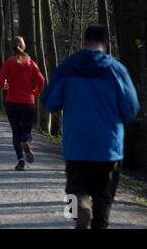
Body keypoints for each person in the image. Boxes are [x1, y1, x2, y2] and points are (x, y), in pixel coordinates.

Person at [41, 25, 140, 229]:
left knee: (75, 189)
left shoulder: (68, 67)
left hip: (77, 144)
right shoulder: (116, 69)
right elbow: (131, 108)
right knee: (103, 200)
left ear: (85, 42)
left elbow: (49, 100)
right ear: (107, 44)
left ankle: (80, 208)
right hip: (108, 147)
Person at [0, 36, 45, 172]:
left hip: (11, 102)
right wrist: (35, 93)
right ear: (23, 47)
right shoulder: (30, 63)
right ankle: (26, 142)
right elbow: (41, 80)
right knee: (26, 131)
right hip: (28, 103)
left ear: (11, 48)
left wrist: (6, 87)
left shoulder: (9, 63)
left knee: (15, 132)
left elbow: (0, 81)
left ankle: (20, 161)